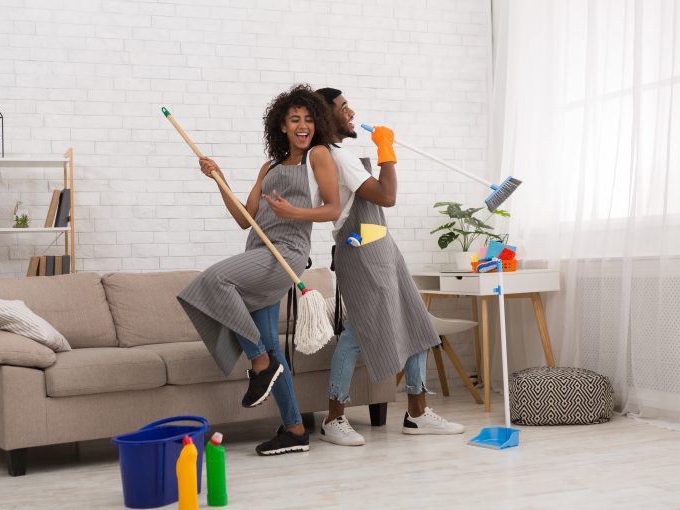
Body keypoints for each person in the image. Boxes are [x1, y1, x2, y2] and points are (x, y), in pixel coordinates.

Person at [178, 84, 340, 455]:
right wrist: (218, 179)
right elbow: (244, 219)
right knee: (269, 342)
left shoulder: (317, 156)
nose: (303, 125)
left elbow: (332, 208)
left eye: (309, 119)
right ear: (281, 126)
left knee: (215, 279)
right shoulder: (268, 166)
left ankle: (259, 364)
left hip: (288, 252)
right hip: (259, 251)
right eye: (294, 119)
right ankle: (295, 429)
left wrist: (293, 213)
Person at [314, 87, 465, 446]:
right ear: (326, 116)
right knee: (356, 332)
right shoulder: (335, 157)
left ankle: (417, 413)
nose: (351, 113)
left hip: (382, 246)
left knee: (416, 321)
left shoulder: (342, 154)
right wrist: (386, 151)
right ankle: (334, 418)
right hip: (361, 250)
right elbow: (387, 196)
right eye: (344, 108)